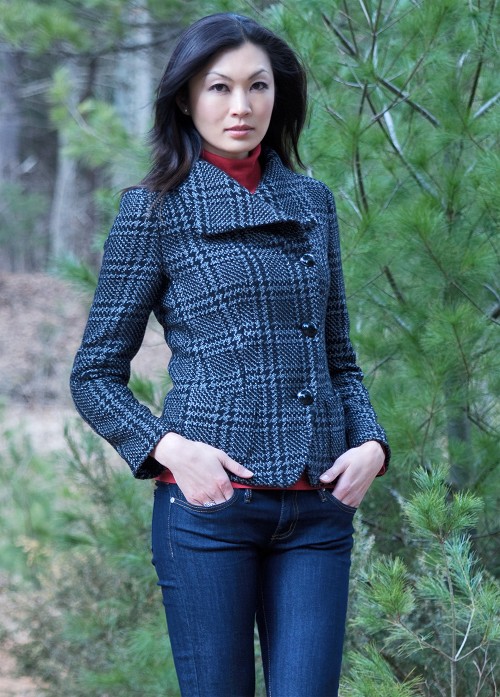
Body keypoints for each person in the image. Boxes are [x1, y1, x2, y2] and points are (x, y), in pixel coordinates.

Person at [70, 12, 389, 697]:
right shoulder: (153, 210)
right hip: (209, 509)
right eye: (219, 87)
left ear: (279, 96)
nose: (241, 105)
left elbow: (337, 356)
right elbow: (94, 375)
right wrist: (170, 450)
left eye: (258, 86)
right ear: (186, 98)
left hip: (317, 509)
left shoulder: (313, 203)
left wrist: (372, 443)